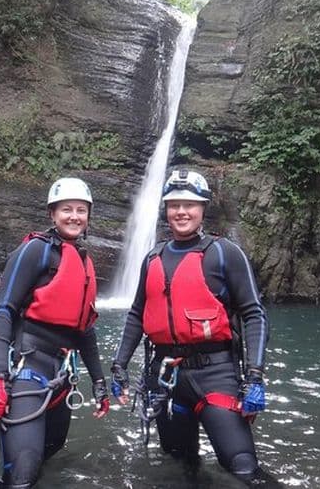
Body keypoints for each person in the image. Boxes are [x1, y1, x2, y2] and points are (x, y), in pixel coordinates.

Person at [110, 169, 270, 485]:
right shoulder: (152, 257)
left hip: (216, 374)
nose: (181, 211)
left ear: (203, 208)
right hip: (166, 377)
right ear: (166, 209)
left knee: (241, 465)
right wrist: (119, 366)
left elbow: (254, 314)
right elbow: (136, 315)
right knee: (179, 466)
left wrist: (255, 376)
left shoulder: (225, 253)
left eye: (190, 204)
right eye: (174, 205)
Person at [0, 177, 109, 489]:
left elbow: (85, 330)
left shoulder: (84, 261)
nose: (74, 216)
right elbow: (3, 311)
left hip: (62, 375)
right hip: (28, 368)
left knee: (48, 452)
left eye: (81, 210)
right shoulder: (35, 251)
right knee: (22, 475)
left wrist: (100, 382)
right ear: (53, 214)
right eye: (67, 209)